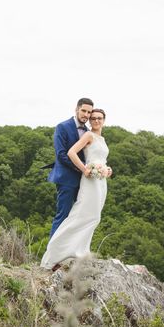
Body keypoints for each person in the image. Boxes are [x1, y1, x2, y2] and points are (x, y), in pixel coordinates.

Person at [41, 108, 112, 271]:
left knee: (94, 217)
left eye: (99, 118)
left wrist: (108, 170)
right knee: (81, 215)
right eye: (93, 118)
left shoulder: (102, 138)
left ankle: (80, 252)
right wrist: (85, 169)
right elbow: (71, 152)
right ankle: (56, 251)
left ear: (104, 120)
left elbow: (102, 159)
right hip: (89, 180)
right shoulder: (88, 135)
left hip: (101, 182)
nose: (96, 121)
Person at [47, 98, 94, 238]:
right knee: (63, 215)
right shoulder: (62, 127)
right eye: (84, 110)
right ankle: (51, 255)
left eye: (89, 112)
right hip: (66, 179)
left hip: (84, 181)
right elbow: (61, 155)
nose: (86, 114)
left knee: (78, 218)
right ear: (77, 109)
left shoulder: (88, 132)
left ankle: (68, 252)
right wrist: (81, 168)